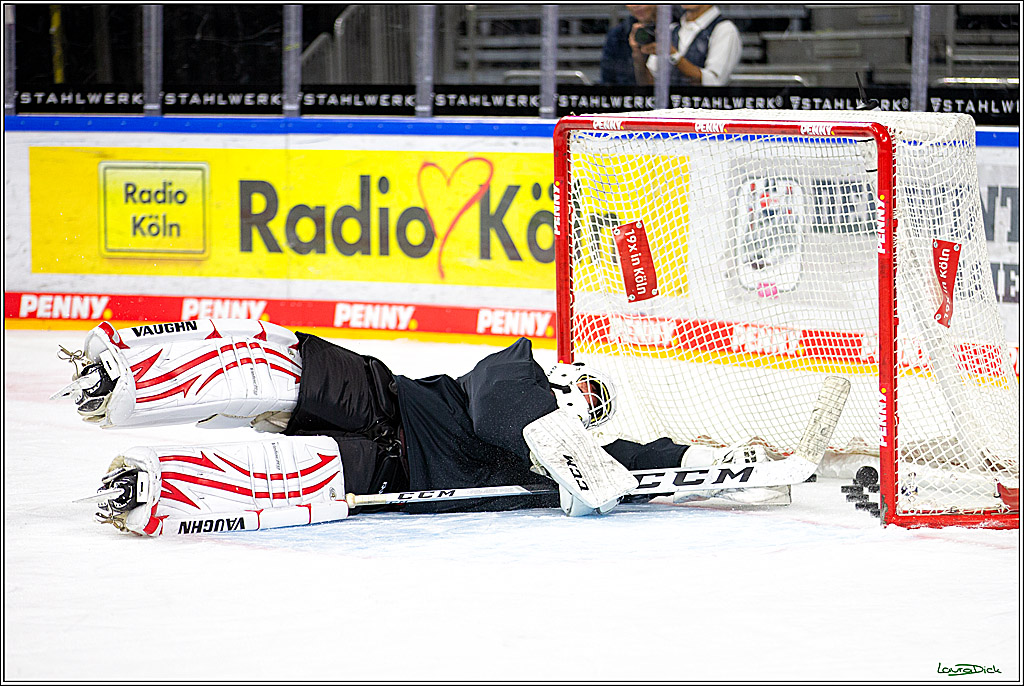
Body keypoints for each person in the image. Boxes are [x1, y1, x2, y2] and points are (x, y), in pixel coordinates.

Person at [53, 318, 789, 535]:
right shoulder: (516, 374)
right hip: (386, 402)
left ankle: (150, 487)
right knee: (274, 366)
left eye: (591, 418)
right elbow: (502, 401)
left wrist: (738, 462)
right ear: (565, 380)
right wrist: (558, 442)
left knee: (280, 484)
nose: (582, 414)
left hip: (388, 477)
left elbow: (648, 460)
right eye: (581, 398)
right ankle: (127, 370)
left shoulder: (574, 458)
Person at [629, 4, 741, 87]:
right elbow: (650, 85)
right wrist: (638, 56)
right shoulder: (672, 30)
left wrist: (673, 54)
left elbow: (713, 83)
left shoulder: (725, 30)